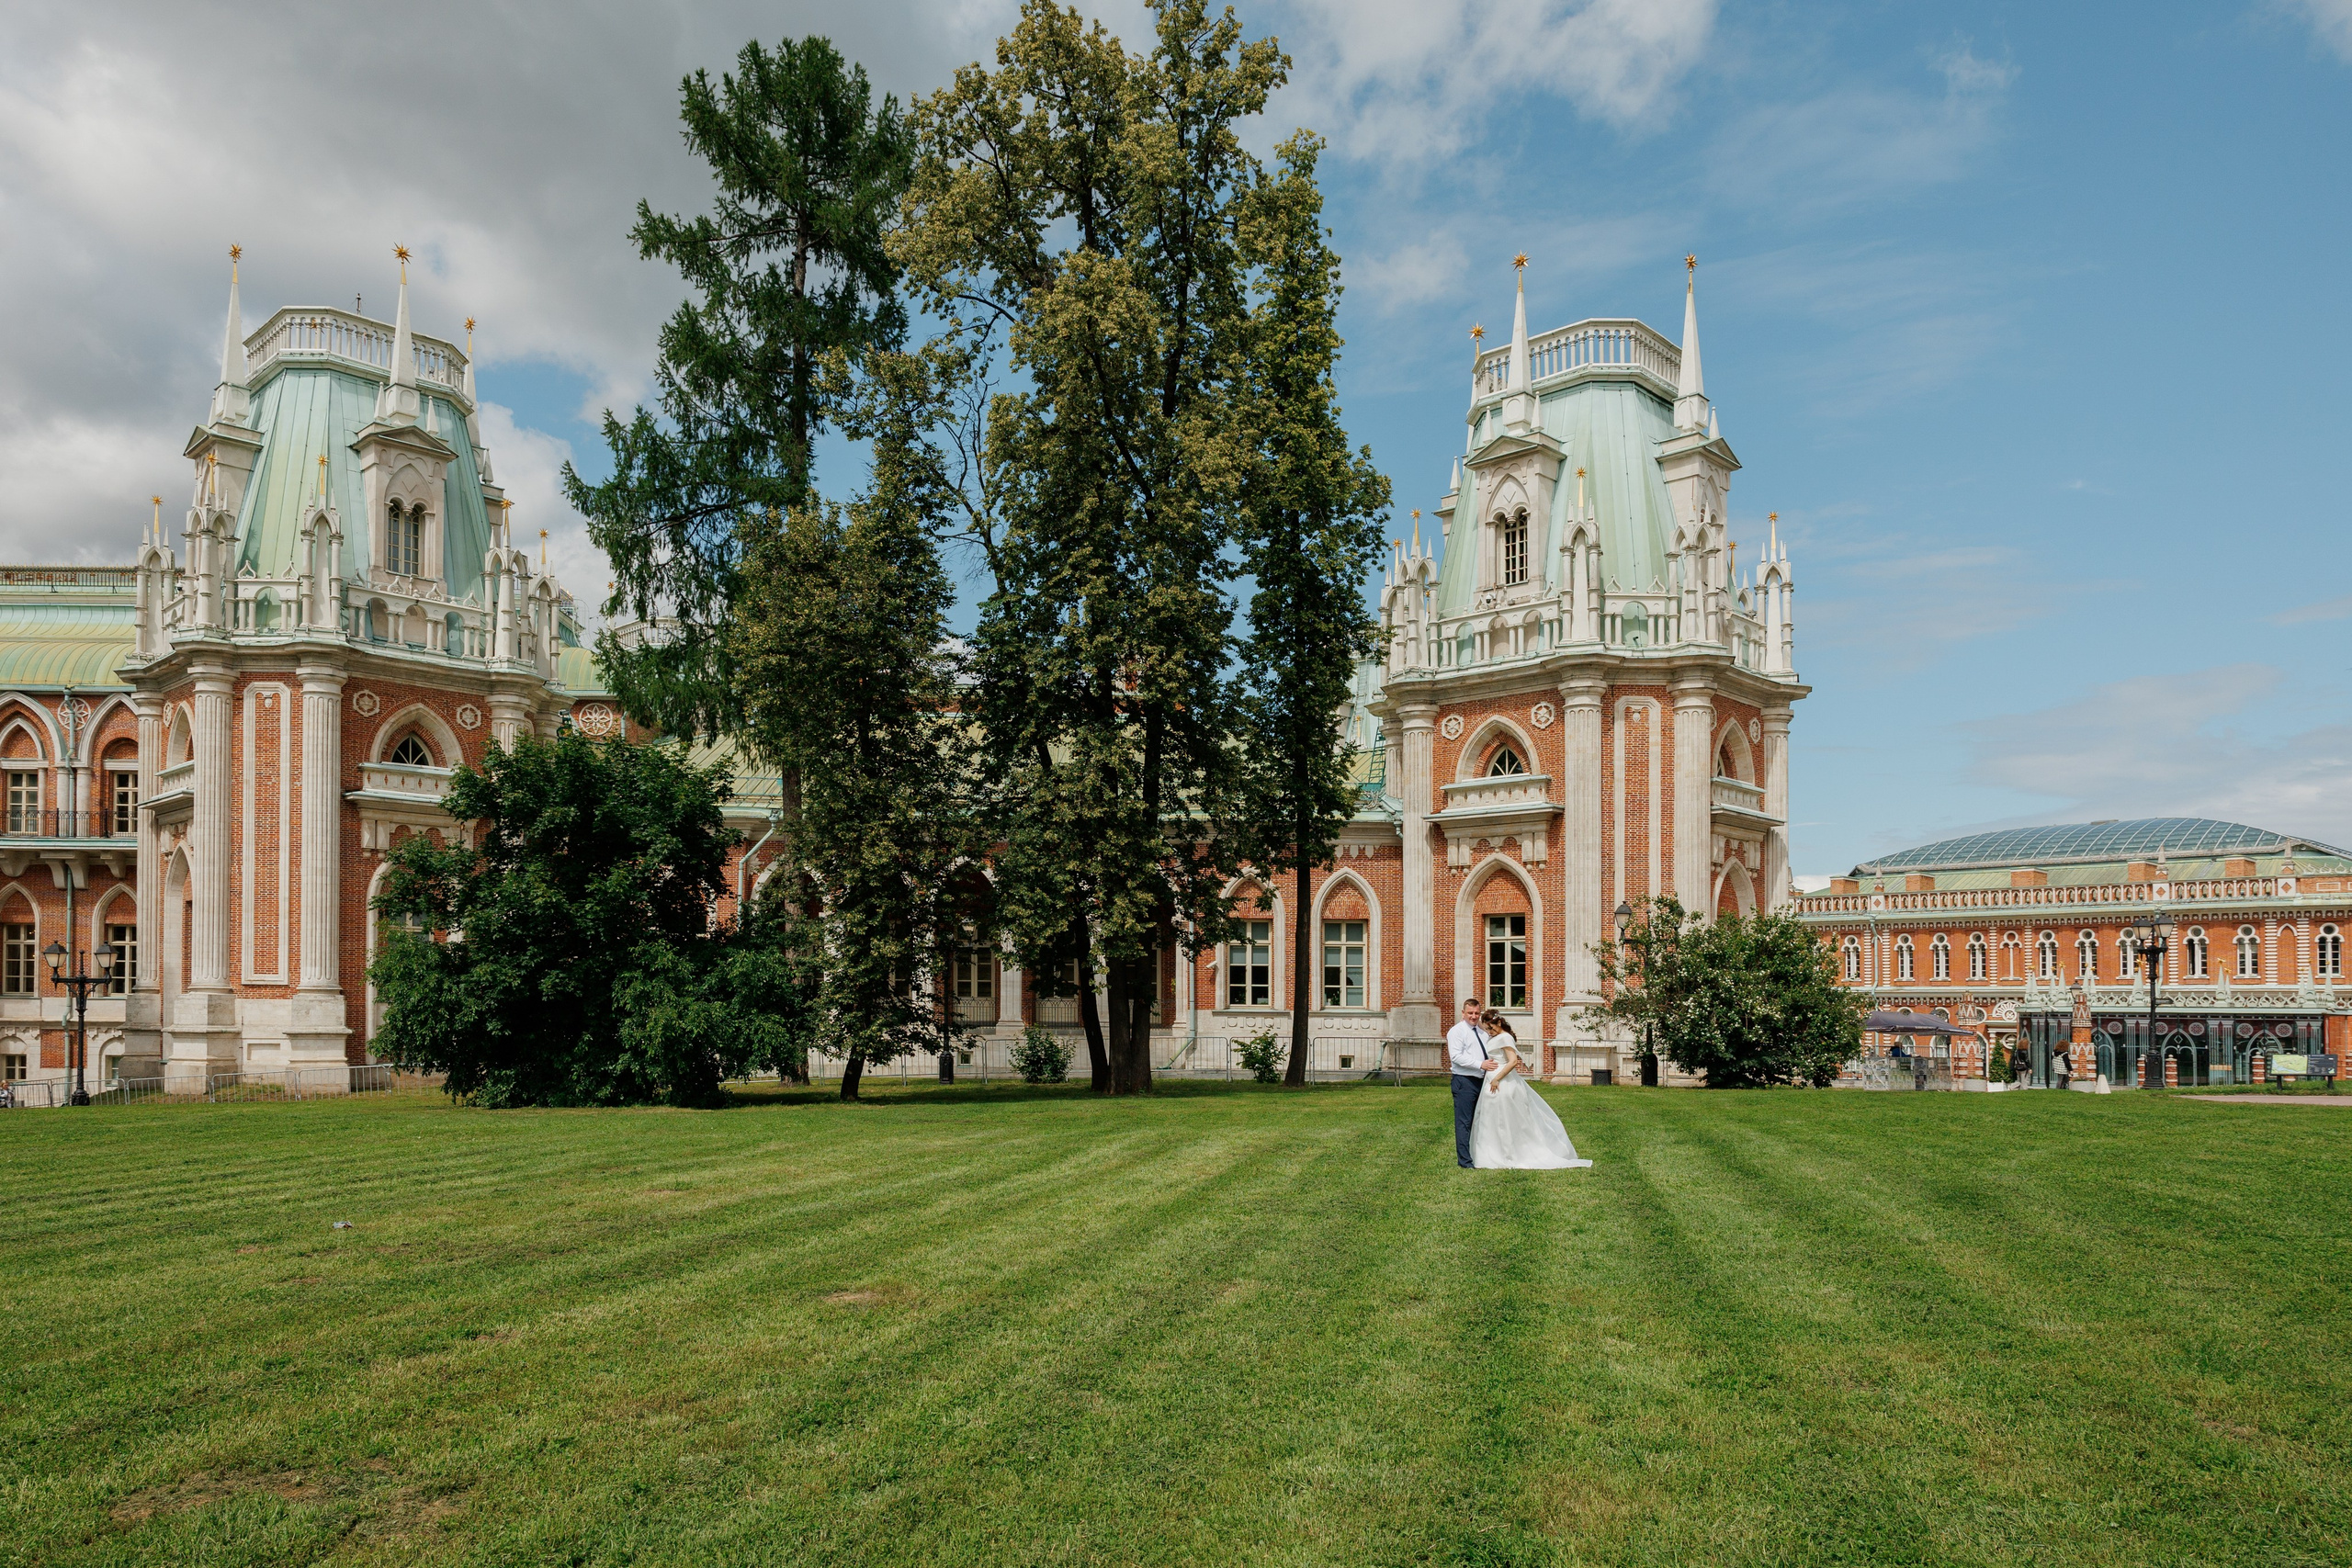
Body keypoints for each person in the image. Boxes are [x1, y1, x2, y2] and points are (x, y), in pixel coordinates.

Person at [1468, 1010, 1592, 1169]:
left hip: (1502, 1081)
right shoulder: (1496, 1036)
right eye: (1487, 1029)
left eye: (1491, 1028)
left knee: (1504, 1118)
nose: (1489, 1032)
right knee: (1491, 1116)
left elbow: (1513, 1062)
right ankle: (1490, 1153)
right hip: (1491, 1079)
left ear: (1498, 1023)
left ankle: (1508, 1153)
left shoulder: (1505, 1037)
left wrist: (1497, 1078)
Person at [1444, 996, 1496, 1168]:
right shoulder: (1456, 1031)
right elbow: (1456, 1057)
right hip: (1464, 1081)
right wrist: (1480, 1064)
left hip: (1482, 1081)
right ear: (1463, 1013)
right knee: (1464, 1122)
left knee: (1480, 1120)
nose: (1474, 1016)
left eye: (1476, 1013)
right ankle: (1465, 1162)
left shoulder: (1482, 1033)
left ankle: (1479, 1156)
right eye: (1470, 1013)